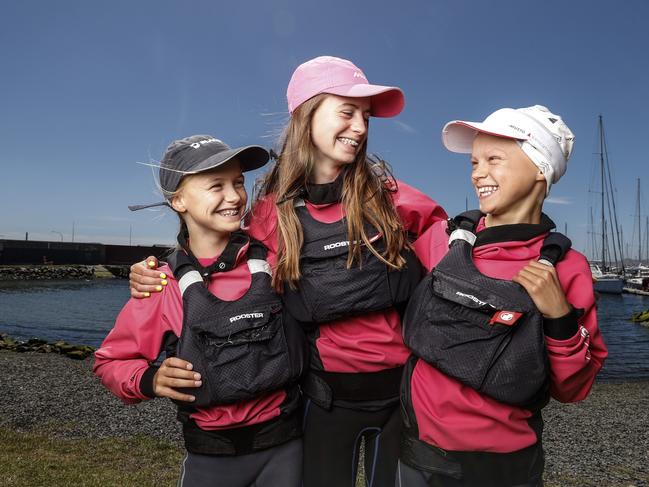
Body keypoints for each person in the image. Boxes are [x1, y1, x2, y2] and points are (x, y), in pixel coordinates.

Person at [129, 56, 447, 486]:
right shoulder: (268, 215)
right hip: (322, 401)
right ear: (307, 114)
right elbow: (218, 254)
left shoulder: (393, 199)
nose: (360, 127)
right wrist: (156, 271)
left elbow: (458, 259)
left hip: (401, 397)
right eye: (347, 112)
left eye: (367, 118)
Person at [397, 106, 608, 486]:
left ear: (541, 169)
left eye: (494, 159)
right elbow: (383, 203)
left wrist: (559, 316)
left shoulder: (568, 267)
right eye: (475, 161)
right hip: (423, 458)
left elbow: (573, 390)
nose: (477, 172)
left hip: (511, 465)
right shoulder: (442, 241)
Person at [94, 135, 306, 487]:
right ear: (178, 200)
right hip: (210, 457)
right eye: (215, 186)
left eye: (238, 182)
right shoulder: (162, 285)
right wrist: (151, 379)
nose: (235, 196)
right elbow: (110, 362)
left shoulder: (272, 258)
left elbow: (300, 178)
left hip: (286, 446)